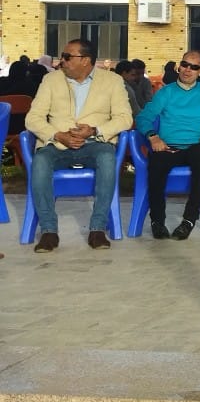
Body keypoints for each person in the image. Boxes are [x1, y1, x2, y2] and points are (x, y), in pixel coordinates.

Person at [25, 38, 133, 252]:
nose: (62, 61)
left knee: (107, 157)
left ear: (85, 60)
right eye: (62, 56)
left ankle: (97, 229)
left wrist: (94, 130)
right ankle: (48, 231)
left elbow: (125, 118)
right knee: (41, 161)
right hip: (57, 144)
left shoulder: (112, 81)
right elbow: (32, 118)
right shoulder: (51, 80)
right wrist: (57, 135)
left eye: (67, 57)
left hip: (95, 143)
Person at [134, 50, 200, 240]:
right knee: (156, 165)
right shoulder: (166, 92)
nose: (188, 70)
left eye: (194, 67)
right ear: (179, 67)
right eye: (185, 65)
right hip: (167, 146)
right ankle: (157, 221)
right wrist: (153, 136)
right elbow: (143, 118)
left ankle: (189, 220)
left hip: (196, 146)